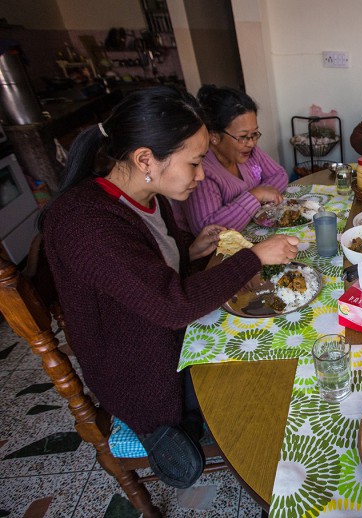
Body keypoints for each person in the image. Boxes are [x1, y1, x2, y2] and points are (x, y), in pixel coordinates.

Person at [40, 87, 299, 488]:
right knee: (267, 384)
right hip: (144, 373)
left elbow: (154, 272)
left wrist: (191, 250)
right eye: (195, 162)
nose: (201, 174)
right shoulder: (85, 222)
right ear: (146, 158)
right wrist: (256, 256)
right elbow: (170, 304)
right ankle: (167, 434)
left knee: (278, 335)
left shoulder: (148, 196)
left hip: (170, 334)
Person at [176, 85, 289, 235]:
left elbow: (280, 175)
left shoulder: (249, 151)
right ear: (214, 136)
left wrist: (255, 198)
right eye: (242, 137)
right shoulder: (202, 171)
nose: (251, 143)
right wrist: (255, 196)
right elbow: (207, 229)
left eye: (255, 134)